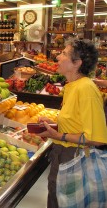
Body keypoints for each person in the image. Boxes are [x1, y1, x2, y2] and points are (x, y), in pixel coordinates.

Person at [35, 39, 107, 208]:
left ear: (77, 63)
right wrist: (53, 124)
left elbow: (97, 138)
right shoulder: (72, 86)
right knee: (56, 198)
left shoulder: (86, 89)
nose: (58, 57)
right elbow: (75, 122)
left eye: (64, 54)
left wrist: (59, 135)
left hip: (75, 157)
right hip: (62, 154)